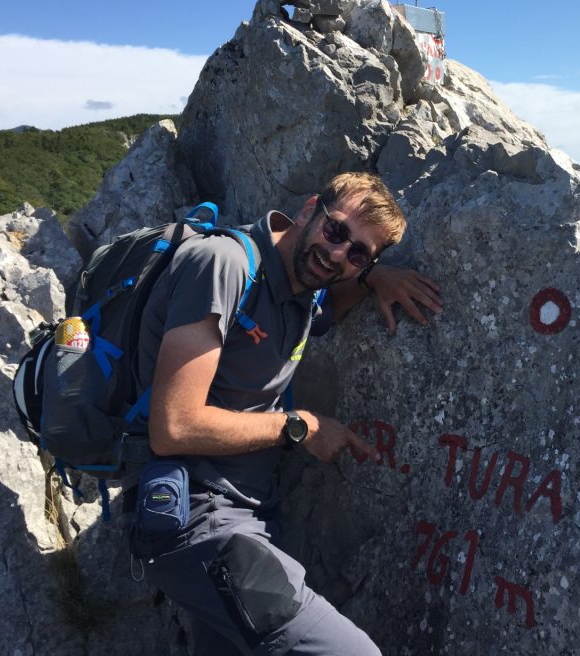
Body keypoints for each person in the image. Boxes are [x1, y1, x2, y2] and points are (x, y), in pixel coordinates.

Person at [130, 172, 442, 655]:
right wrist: (298, 427)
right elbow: (173, 426)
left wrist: (374, 278)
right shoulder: (225, 266)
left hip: (248, 520)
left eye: (358, 253)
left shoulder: (301, 290)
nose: (338, 253)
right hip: (195, 520)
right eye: (336, 230)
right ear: (309, 210)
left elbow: (329, 301)